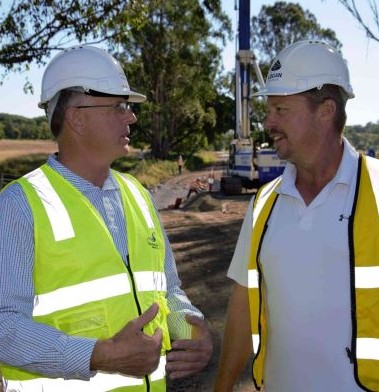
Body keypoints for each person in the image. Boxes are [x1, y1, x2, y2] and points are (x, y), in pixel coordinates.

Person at [0, 45, 212, 391]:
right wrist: (97, 355)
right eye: (119, 106)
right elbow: (3, 325)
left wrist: (192, 327)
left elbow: (168, 289)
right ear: (76, 117)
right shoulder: (18, 206)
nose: (131, 117)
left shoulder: (139, 195)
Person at [214, 40, 379, 392]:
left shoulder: (377, 190)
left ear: (326, 110)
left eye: (281, 110)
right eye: (269, 110)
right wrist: (223, 387)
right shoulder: (264, 203)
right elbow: (244, 305)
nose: (269, 122)